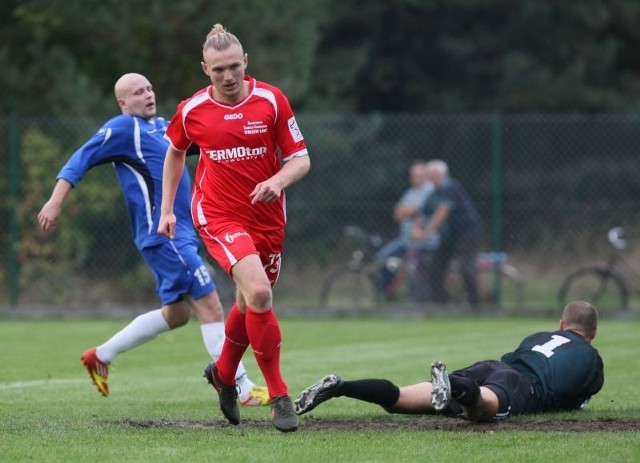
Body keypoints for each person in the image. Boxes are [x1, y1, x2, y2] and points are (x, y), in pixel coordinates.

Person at [37, 73, 269, 406]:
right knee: (211, 305)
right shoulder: (123, 128)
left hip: (181, 234)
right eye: (137, 92)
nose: (147, 94)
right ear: (123, 103)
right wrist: (55, 200)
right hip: (165, 235)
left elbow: (203, 144)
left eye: (148, 88)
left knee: (177, 315)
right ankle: (242, 389)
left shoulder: (162, 125)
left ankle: (101, 355)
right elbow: (81, 158)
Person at [158, 24, 311, 433]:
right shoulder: (192, 110)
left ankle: (223, 375)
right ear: (205, 69)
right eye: (217, 70)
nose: (227, 77)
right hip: (218, 214)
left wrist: (277, 181)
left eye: (233, 68)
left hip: (268, 219)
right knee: (260, 292)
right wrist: (168, 209)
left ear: (246, 63)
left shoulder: (271, 100)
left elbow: (300, 159)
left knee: (248, 305)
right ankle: (280, 396)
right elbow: (174, 153)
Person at [295, 301, 604, 422]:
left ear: (561, 324)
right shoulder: (590, 357)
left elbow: (513, 359)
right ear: (593, 332)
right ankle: (457, 386)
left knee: (400, 399)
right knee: (480, 410)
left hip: (496, 367)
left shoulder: (539, 336)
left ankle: (343, 386)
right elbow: (577, 393)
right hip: (522, 385)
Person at [412, 159, 483, 306]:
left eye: (431, 175)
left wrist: (425, 233)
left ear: (440, 174)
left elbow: (441, 214)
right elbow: (423, 213)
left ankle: (475, 304)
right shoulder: (434, 192)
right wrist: (415, 229)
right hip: (450, 237)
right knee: (435, 268)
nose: (429, 179)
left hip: (467, 233)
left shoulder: (451, 187)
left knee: (465, 267)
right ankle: (442, 303)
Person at [376, 160, 438, 301]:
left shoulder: (430, 191)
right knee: (384, 259)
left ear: (426, 176)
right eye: (414, 175)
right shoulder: (410, 192)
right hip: (405, 240)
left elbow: (418, 211)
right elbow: (397, 214)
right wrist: (408, 210)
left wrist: (408, 210)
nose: (417, 178)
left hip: (424, 241)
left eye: (420, 175)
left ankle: (418, 300)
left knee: (414, 269)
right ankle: (388, 295)